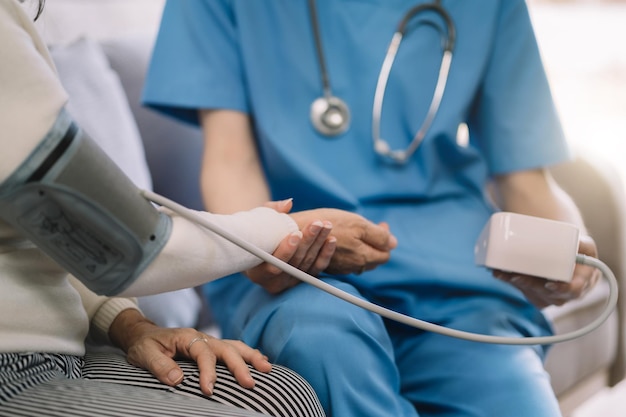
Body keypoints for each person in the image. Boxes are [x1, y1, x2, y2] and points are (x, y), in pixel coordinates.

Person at [143, 1, 601, 416]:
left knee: (512, 398)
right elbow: (230, 159)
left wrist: (568, 253)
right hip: (299, 283)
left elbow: (526, 179)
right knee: (324, 342)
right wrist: (260, 248)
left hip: (458, 287)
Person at [0, 1, 327, 416]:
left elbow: (50, 230)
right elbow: (128, 247)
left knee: (284, 395)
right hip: (10, 362)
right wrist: (281, 228)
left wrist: (128, 325)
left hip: (64, 348)